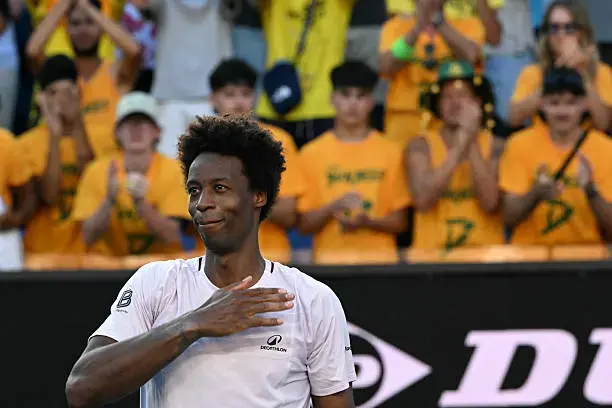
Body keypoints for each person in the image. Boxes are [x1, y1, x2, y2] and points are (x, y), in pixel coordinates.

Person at [65, 115, 357, 408]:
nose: (202, 203)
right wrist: (192, 324)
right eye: (194, 190)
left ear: (258, 195)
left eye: (219, 188)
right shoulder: (155, 282)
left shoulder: (312, 299)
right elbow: (82, 387)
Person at [298, 61, 410, 265]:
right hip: (329, 265)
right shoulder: (310, 154)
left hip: (381, 264)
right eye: (345, 95)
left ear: (371, 102)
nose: (352, 104)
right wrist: (332, 208)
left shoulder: (391, 152)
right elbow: (304, 224)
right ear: (332, 99)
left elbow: (401, 222)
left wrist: (369, 222)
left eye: (360, 96)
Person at [208, 58, 306, 263]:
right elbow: (191, 218)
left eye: (246, 94)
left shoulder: (279, 140)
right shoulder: (199, 143)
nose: (238, 103)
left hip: (271, 259)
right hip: (215, 263)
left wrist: (234, 201)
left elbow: (288, 214)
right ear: (213, 99)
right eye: (229, 94)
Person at [18, 54, 118, 255]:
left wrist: (77, 121)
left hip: (90, 253)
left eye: (68, 92)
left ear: (79, 93)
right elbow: (50, 196)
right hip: (43, 253)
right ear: (42, 99)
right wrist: (54, 136)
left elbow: (91, 184)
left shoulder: (103, 136)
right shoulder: (26, 144)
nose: (62, 100)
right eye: (54, 93)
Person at [501, 67, 612, 245]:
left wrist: (591, 190)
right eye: (554, 103)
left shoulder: (605, 148)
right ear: (541, 104)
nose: (562, 111)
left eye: (571, 103)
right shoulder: (518, 144)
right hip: (530, 255)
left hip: (587, 255)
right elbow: (508, 217)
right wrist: (536, 193)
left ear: (585, 104)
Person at [71, 92, 191, 256]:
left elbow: (173, 237)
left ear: (157, 131)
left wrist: (141, 203)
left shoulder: (175, 170)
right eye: (129, 123)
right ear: (117, 132)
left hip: (160, 266)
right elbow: (87, 237)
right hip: (108, 267)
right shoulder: (96, 171)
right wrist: (109, 200)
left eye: (143, 123)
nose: (136, 130)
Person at [406, 61, 505, 250]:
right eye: (447, 97)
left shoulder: (497, 146)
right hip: (432, 255)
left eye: (462, 95)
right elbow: (423, 201)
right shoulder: (419, 146)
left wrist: (470, 141)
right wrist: (460, 146)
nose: (455, 103)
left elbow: (490, 202)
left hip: (484, 254)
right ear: (438, 104)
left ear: (477, 102)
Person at [509, 0, 612, 131]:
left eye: (569, 28)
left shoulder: (601, 71)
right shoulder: (532, 72)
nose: (561, 34)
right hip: (543, 141)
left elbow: (604, 124)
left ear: (582, 32)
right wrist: (555, 73)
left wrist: (583, 73)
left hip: (587, 142)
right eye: (554, 28)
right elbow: (514, 118)